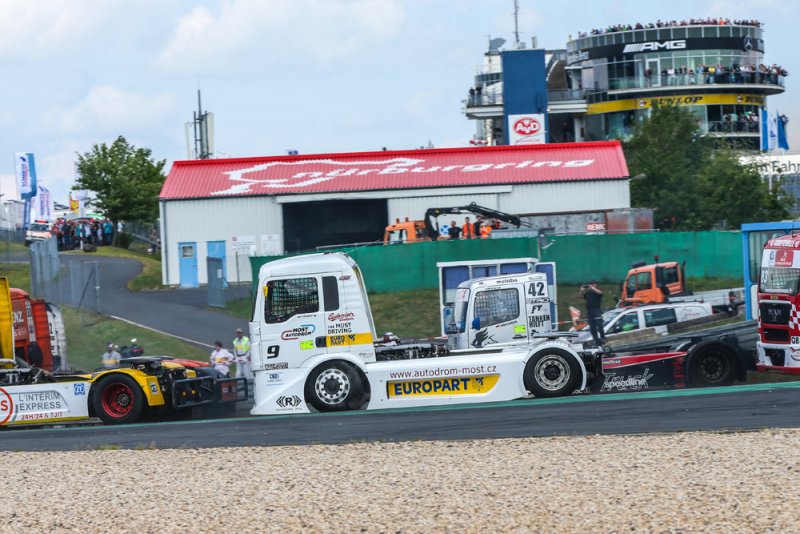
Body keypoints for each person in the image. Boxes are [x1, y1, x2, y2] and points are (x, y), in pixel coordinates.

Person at [579, 280, 606, 346]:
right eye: (590, 284)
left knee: (599, 324)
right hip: (589, 311)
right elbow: (580, 297)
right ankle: (596, 340)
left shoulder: (598, 291)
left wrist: (592, 288)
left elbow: (601, 293)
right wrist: (581, 290)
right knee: (592, 326)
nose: (591, 285)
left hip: (596, 309)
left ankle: (603, 337)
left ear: (596, 284)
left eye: (593, 284)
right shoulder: (588, 293)